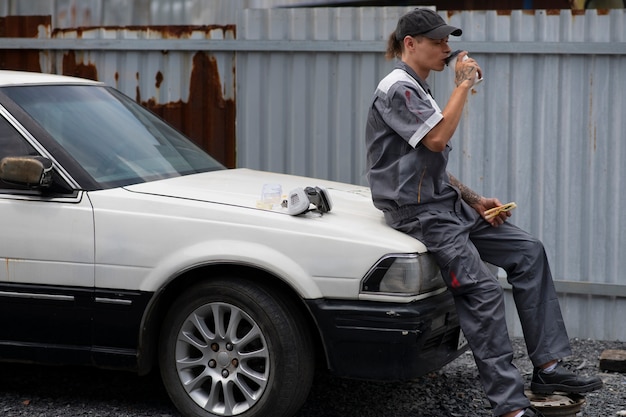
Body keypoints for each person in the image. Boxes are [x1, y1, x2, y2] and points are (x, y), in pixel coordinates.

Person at [364, 8, 603, 417]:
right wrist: (462, 85)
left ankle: (548, 367)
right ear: (411, 44)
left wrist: (474, 199)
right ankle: (510, 407)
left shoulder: (416, 87)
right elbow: (437, 139)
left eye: (447, 41)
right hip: (418, 214)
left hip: (444, 205)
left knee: (527, 251)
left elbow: (425, 161)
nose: (447, 48)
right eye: (438, 41)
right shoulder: (396, 89)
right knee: (483, 291)